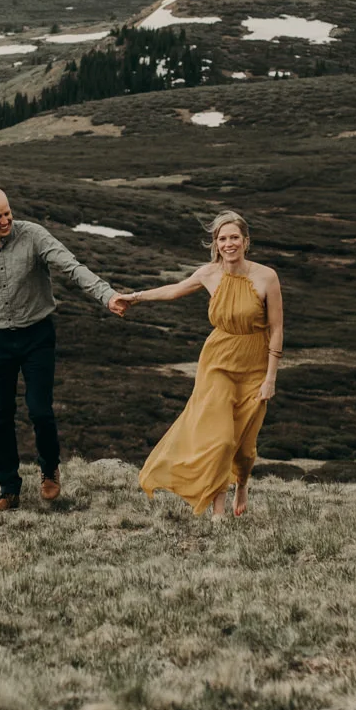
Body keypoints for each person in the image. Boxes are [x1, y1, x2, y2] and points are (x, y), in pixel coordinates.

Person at [0, 186, 122, 511]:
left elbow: (71, 267)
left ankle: (49, 471)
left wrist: (107, 295)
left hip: (37, 336)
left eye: (8, 213)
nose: (5, 220)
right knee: (0, 416)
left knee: (40, 410)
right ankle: (9, 490)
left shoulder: (34, 236)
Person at [111, 209, 283, 518]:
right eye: (222, 239)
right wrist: (134, 297)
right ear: (215, 244)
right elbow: (173, 291)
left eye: (234, 238)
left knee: (243, 444)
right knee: (218, 438)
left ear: (246, 241)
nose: (228, 244)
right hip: (217, 361)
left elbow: (277, 328)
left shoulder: (266, 276)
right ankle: (216, 510)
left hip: (255, 363)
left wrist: (271, 377)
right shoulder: (208, 273)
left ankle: (241, 481)